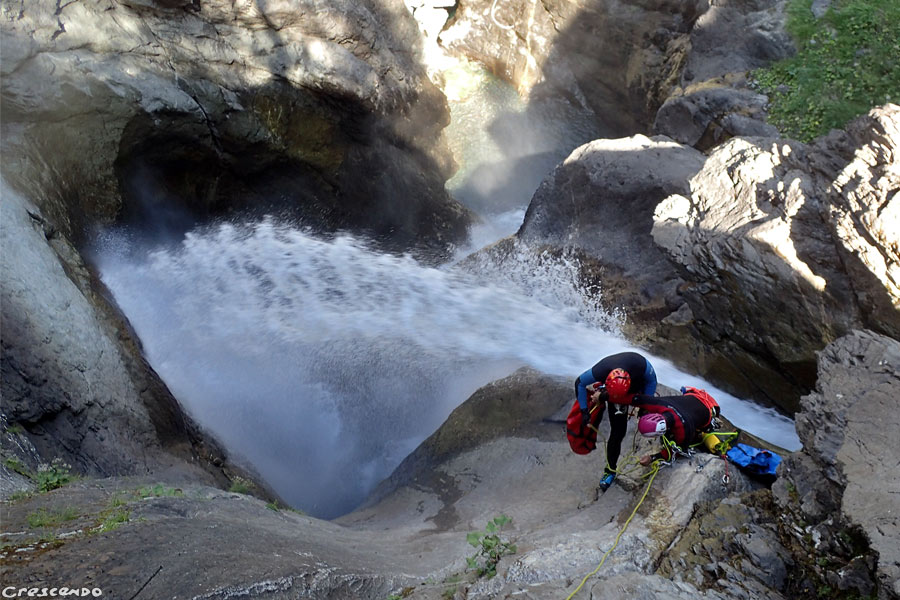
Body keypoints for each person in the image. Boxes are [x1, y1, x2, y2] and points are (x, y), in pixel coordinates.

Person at [574, 351, 657, 491]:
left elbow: (652, 381)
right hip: (612, 395)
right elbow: (580, 383)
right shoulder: (602, 369)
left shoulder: (640, 365)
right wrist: (584, 411)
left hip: (634, 385)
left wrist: (645, 405)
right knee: (618, 433)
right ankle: (610, 470)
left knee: (650, 417)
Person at [632, 389, 721, 465]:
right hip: (697, 396)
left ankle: (699, 433)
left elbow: (678, 451)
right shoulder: (659, 403)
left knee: (695, 438)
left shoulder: (684, 429)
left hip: (711, 409)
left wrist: (653, 458)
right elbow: (637, 399)